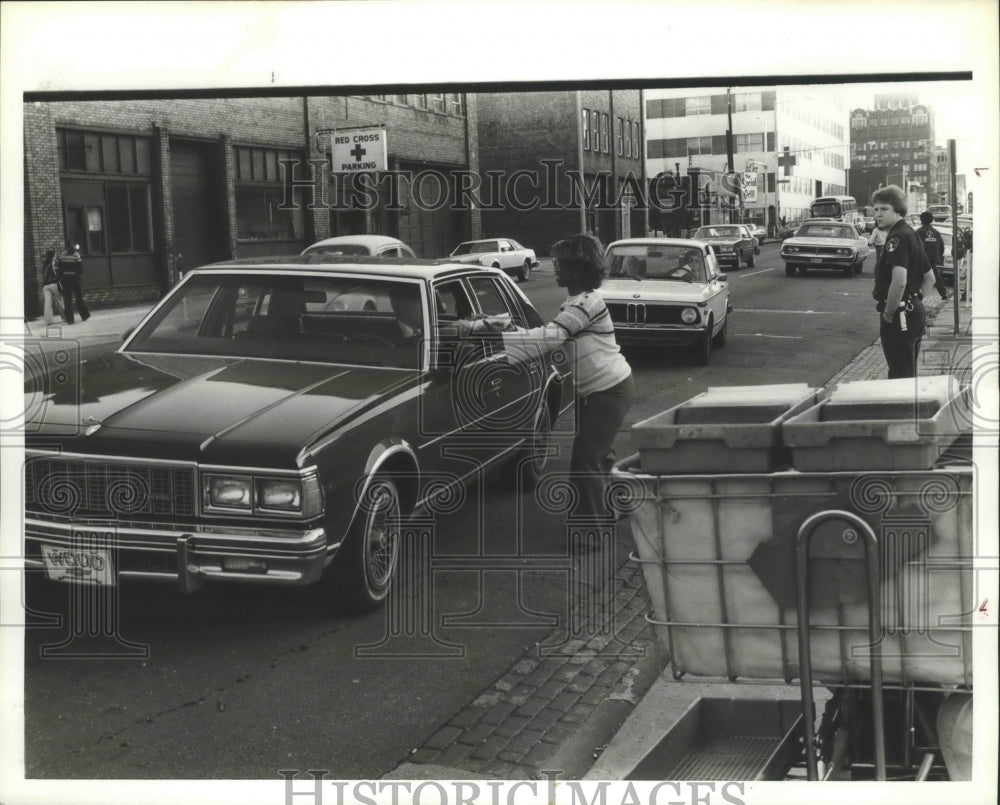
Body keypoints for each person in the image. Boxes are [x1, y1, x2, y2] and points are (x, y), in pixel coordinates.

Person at [460, 234, 634, 553]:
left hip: (607, 390)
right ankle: (607, 513)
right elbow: (546, 334)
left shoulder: (587, 302)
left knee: (586, 462)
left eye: (561, 264)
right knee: (599, 458)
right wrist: (500, 326)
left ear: (578, 269)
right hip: (599, 389)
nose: (555, 269)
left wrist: (498, 331)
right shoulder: (576, 301)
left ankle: (590, 534)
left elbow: (549, 338)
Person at [870, 186, 936, 379]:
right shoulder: (911, 233)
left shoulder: (896, 237)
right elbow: (929, 278)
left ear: (898, 210)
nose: (878, 214)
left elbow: (899, 281)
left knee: (899, 375)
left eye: (884, 209)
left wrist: (889, 312)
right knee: (908, 370)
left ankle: (903, 409)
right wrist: (915, 299)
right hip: (913, 311)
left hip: (899, 315)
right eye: (875, 209)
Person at [915, 211, 950, 299]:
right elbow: (941, 246)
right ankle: (943, 293)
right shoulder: (936, 232)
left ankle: (917, 294)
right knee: (936, 276)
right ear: (931, 220)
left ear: (921, 220)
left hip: (922, 258)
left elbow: (915, 246)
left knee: (917, 276)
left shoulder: (919, 232)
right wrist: (939, 256)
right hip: (933, 258)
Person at [56, 241, 90, 324]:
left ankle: (70, 319)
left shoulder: (61, 255)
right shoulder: (76, 254)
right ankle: (84, 315)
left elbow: (58, 268)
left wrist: (62, 276)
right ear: (72, 245)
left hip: (65, 279)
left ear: (66, 246)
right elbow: (80, 269)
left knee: (67, 299)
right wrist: (77, 275)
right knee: (79, 297)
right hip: (75, 279)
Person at [40, 248, 66, 327]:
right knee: (60, 300)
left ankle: (48, 321)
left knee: (47, 303)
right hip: (53, 284)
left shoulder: (44, 264)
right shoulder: (54, 263)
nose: (56, 256)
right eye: (55, 255)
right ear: (52, 256)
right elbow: (58, 272)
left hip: (45, 286)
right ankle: (65, 317)